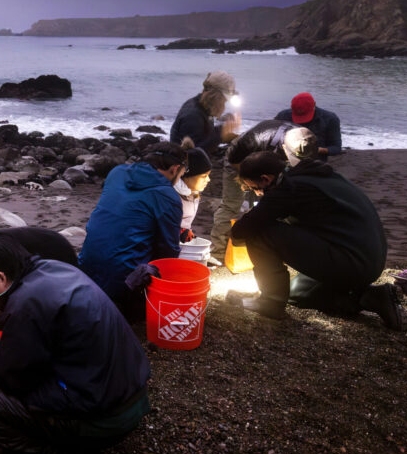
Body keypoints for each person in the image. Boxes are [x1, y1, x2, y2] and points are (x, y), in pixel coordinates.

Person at [0, 236, 150, 454]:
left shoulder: (27, 304)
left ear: (1, 277)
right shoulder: (55, 269)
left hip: (105, 418)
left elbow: (9, 375)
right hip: (131, 396)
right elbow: (52, 318)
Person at [226, 152, 406, 330]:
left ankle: (270, 303)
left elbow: (241, 232)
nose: (257, 194)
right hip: (367, 257)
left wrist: (257, 218)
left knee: (259, 233)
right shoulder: (309, 174)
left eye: (254, 188)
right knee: (297, 293)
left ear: (266, 179)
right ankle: (370, 297)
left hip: (352, 260)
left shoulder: (288, 189)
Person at [78, 142, 187, 314]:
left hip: (86, 268)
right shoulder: (167, 195)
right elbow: (168, 250)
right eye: (183, 173)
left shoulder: (117, 172)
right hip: (124, 284)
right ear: (175, 169)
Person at [209, 120, 317, 260]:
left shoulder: (307, 142)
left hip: (268, 167)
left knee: (269, 205)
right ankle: (217, 253)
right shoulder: (253, 142)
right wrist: (249, 185)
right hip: (239, 161)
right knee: (231, 205)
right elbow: (235, 160)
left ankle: (267, 250)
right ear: (284, 148)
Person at [169, 70, 242, 154]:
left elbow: (203, 135)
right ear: (214, 96)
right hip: (180, 163)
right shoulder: (193, 115)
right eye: (223, 101)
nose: (223, 106)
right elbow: (192, 153)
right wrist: (220, 135)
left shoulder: (204, 107)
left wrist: (223, 132)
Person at [275, 92, 342, 161]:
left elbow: (336, 148)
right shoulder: (283, 116)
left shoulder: (330, 119)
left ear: (314, 105)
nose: (302, 122)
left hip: (315, 162)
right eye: (298, 115)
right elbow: (272, 138)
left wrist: (316, 150)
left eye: (304, 116)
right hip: (286, 159)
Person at [174, 138, 213, 244]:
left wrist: (186, 230)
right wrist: (181, 232)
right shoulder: (173, 196)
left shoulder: (193, 193)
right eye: (204, 176)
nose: (208, 180)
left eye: (208, 175)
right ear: (185, 175)